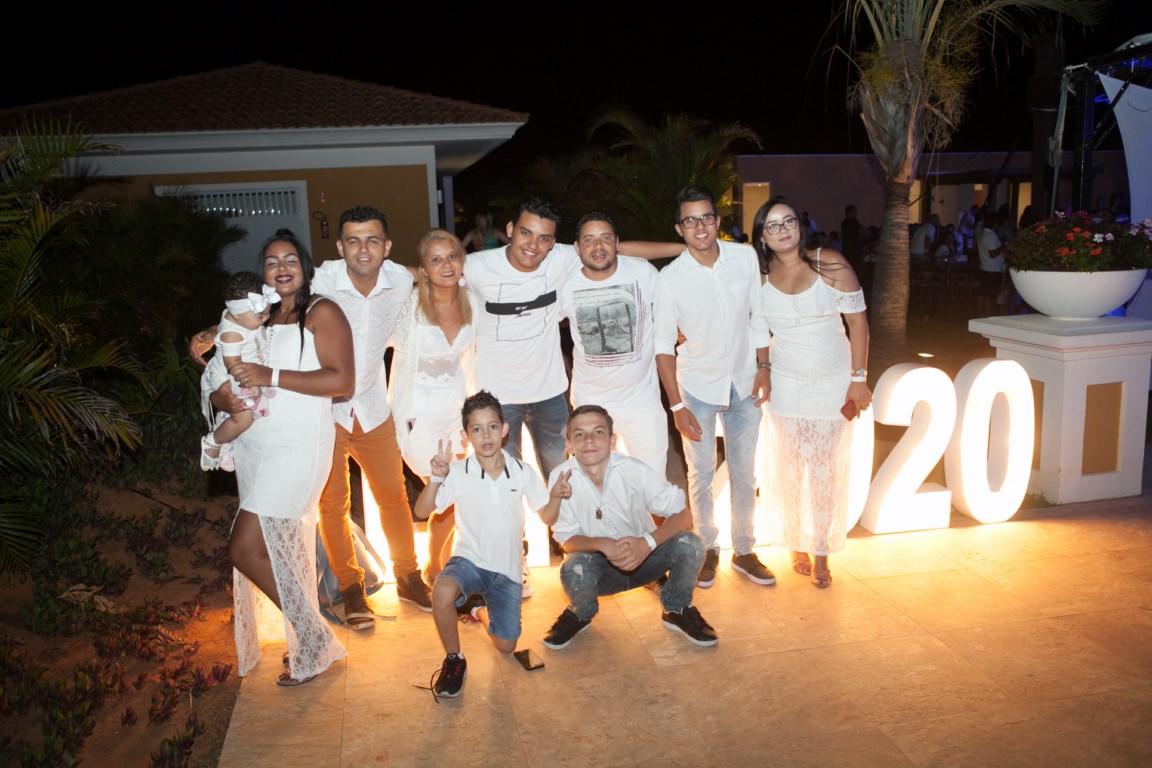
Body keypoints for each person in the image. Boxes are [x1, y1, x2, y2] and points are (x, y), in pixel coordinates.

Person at [192, 205, 431, 629]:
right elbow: (263, 300)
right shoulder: (319, 278)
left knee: (393, 496)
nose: (363, 249)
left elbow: (432, 268)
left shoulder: (398, 279)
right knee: (332, 504)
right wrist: (217, 331)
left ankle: (409, 576)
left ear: (387, 246)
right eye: (353, 240)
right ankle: (351, 587)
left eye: (373, 240)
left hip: (372, 404)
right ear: (339, 247)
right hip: (324, 412)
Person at [214, 228, 355, 686]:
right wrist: (221, 397)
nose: (281, 267)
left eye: (290, 259)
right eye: (272, 261)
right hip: (257, 447)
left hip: (298, 447)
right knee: (273, 551)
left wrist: (269, 374)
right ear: (263, 273)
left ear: (305, 268)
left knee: (244, 548)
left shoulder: (322, 311)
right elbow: (223, 369)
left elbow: (342, 381)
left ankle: (313, 637)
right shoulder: (256, 316)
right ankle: (312, 637)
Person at [654, 186, 774, 589]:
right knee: (700, 473)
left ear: (717, 220)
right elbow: (663, 348)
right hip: (697, 388)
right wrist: (677, 407)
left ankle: (745, 550)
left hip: (745, 381)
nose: (700, 226)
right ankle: (707, 548)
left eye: (706, 217)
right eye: (690, 220)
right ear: (679, 228)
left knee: (745, 470)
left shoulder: (744, 257)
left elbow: (758, 316)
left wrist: (763, 367)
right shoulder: (669, 279)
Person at [752, 197, 872, 589]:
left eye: (788, 221)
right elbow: (756, 331)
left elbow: (858, 324)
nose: (783, 230)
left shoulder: (829, 263)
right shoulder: (759, 278)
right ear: (762, 237)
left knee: (825, 470)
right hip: (785, 384)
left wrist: (859, 378)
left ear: (799, 225)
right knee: (789, 468)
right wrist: (763, 369)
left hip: (832, 383)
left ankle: (821, 550)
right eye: (772, 225)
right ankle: (795, 542)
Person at [413, 391, 554, 699]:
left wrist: (556, 495)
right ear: (466, 436)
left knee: (506, 646)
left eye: (492, 427)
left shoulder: (522, 471)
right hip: (470, 560)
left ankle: (477, 610)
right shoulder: (458, 472)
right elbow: (422, 511)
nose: (486, 435)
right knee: (442, 592)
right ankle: (454, 659)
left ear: (504, 429)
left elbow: (547, 515)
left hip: (507, 570)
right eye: (476, 429)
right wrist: (436, 478)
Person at [540, 405, 716, 650]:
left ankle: (676, 608)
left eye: (598, 432)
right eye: (579, 434)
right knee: (573, 567)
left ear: (612, 440)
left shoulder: (635, 470)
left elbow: (683, 515)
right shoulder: (561, 478)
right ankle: (581, 612)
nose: (589, 440)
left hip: (646, 559)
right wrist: (602, 544)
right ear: (569, 444)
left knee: (691, 544)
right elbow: (567, 540)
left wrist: (647, 543)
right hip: (600, 567)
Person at [387, 229, 475, 585]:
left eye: (452, 256)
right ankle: (436, 568)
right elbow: (366, 333)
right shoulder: (407, 307)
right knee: (446, 493)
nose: (446, 265)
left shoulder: (472, 302)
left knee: (460, 494)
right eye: (436, 260)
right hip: (418, 414)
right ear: (422, 270)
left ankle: (441, 566)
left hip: (457, 414)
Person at [558, 212, 667, 476]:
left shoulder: (643, 272)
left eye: (606, 238)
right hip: (590, 401)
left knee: (652, 481)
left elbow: (673, 311)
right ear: (577, 247)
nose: (598, 246)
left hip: (642, 401)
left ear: (617, 243)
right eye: (589, 240)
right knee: (594, 480)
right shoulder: (565, 285)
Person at [199, 272, 278, 471]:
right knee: (243, 418)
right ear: (236, 315)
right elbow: (233, 365)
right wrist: (251, 384)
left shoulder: (243, 319)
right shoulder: (232, 334)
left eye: (267, 313)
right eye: (260, 316)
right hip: (230, 376)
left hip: (245, 369)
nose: (265, 318)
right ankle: (214, 442)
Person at [976, 209, 1006, 317]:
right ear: (994, 222)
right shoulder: (990, 236)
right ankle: (987, 316)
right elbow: (992, 254)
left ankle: (980, 315)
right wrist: (1003, 248)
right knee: (989, 295)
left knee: (983, 294)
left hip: (985, 268)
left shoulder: (983, 233)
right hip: (992, 270)